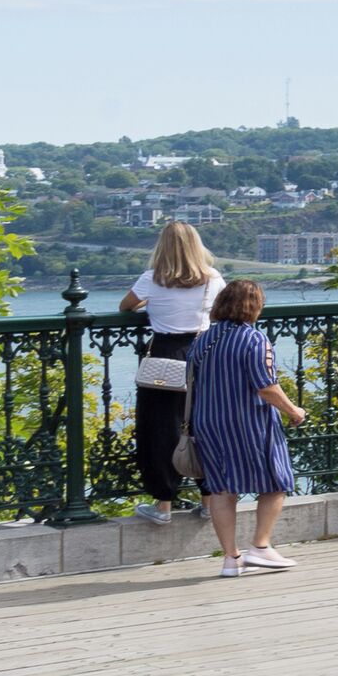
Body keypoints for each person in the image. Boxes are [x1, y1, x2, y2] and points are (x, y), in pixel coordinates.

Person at [186, 279, 302, 573]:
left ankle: (230, 558)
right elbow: (266, 387)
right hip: (247, 421)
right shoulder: (254, 340)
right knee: (277, 481)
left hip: (208, 421)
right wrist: (293, 410)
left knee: (222, 488)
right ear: (255, 307)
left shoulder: (203, 339)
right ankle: (260, 547)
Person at [118, 222, 225, 521]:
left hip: (165, 357)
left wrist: (154, 306)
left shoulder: (151, 279)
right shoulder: (212, 279)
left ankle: (163, 503)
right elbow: (223, 311)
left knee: (160, 429)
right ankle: (208, 501)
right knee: (204, 427)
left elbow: (126, 306)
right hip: (202, 356)